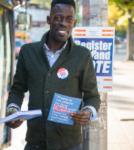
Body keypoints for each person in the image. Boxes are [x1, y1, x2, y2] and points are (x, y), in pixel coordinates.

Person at [6, 0, 101, 150]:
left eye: (69, 19)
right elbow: (18, 89)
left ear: (74, 23)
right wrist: (12, 111)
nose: (63, 23)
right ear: (49, 20)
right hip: (35, 143)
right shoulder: (27, 52)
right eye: (58, 18)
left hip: (69, 144)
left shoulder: (82, 55)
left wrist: (89, 112)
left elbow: (93, 96)